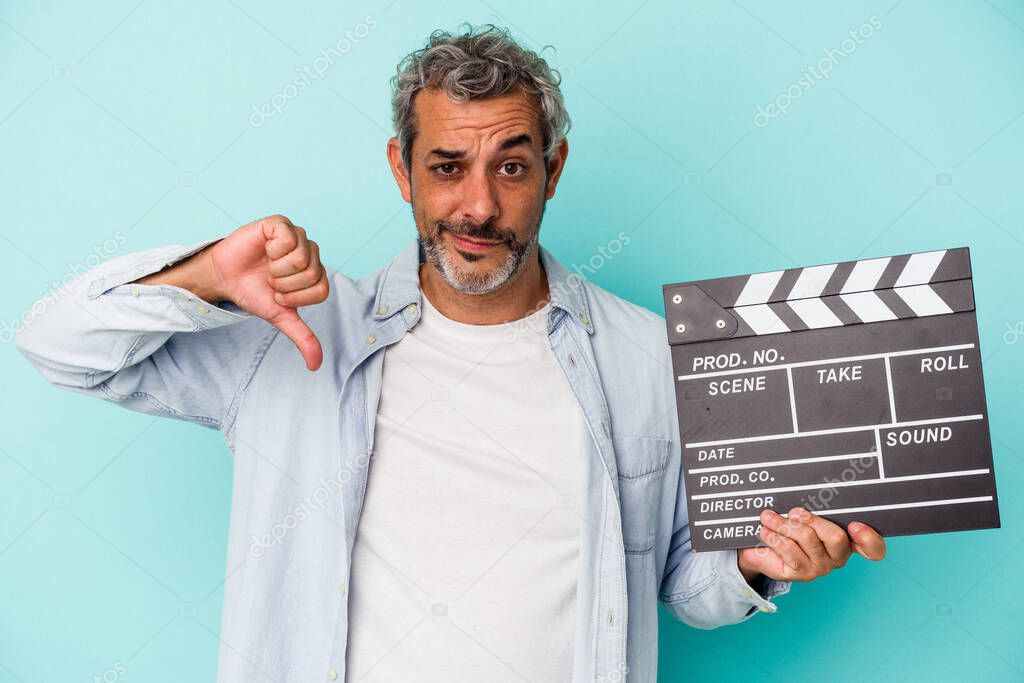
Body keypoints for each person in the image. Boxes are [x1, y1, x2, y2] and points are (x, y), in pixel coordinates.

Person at [15, 23, 886, 683]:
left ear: (554, 168)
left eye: (511, 167)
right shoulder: (292, 337)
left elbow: (682, 584)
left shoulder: (648, 355)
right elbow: (59, 347)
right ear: (402, 170)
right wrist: (204, 274)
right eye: (446, 166)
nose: (476, 206)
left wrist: (752, 564)